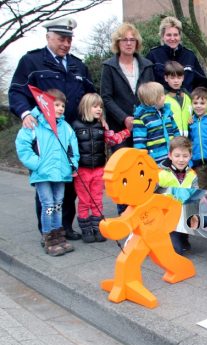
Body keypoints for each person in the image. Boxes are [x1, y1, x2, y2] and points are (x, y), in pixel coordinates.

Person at [9, 17, 94, 241]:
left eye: (69, 39)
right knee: (47, 192)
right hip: (44, 136)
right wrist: (25, 113)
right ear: (48, 37)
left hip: (70, 134)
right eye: (61, 39)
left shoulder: (78, 65)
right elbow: (17, 91)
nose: (66, 44)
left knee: (68, 186)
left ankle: (64, 226)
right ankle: (48, 231)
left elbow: (90, 95)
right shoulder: (32, 61)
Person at [15, 89, 79, 256]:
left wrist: (73, 165)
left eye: (62, 106)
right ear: (45, 105)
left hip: (61, 173)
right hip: (43, 174)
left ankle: (58, 235)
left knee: (58, 203)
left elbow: (73, 148)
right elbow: (23, 146)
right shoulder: (34, 124)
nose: (60, 108)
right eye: (56, 105)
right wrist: (37, 164)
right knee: (48, 205)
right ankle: (48, 237)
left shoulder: (65, 127)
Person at [101, 22, 154, 150]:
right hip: (119, 129)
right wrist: (124, 118)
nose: (129, 43)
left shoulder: (147, 66)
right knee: (123, 166)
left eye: (132, 40)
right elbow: (106, 98)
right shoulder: (109, 67)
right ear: (117, 43)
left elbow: (152, 95)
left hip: (145, 127)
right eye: (124, 40)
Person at [71, 93, 107, 244]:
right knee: (85, 200)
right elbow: (70, 147)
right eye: (95, 106)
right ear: (86, 107)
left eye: (100, 106)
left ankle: (97, 226)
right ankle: (86, 229)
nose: (99, 109)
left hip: (98, 168)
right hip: (83, 170)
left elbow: (110, 140)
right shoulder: (75, 126)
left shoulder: (101, 125)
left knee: (97, 199)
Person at [146, 16, 207, 92]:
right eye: (169, 35)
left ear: (180, 36)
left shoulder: (190, 56)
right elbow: (147, 83)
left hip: (186, 102)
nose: (172, 38)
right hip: (162, 102)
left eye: (175, 35)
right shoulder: (153, 55)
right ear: (162, 36)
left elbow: (202, 83)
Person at [158, 137, 198, 255]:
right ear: (170, 155)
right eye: (177, 156)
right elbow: (147, 195)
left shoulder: (192, 175)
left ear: (190, 156)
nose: (181, 160)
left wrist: (194, 215)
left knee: (183, 248)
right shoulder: (159, 173)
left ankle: (183, 236)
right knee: (176, 251)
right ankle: (159, 237)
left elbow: (195, 197)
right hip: (163, 218)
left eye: (185, 156)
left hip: (182, 216)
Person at [132, 82, 180, 164]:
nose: (165, 97)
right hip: (156, 161)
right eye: (162, 96)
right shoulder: (141, 117)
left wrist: (180, 146)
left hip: (173, 157)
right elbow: (139, 142)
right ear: (153, 99)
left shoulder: (167, 112)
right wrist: (142, 159)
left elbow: (175, 130)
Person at [164, 61, 191, 137]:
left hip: (187, 138)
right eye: (172, 78)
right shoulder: (163, 98)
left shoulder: (188, 96)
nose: (176, 81)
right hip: (171, 138)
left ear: (183, 78)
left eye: (179, 77)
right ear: (166, 78)